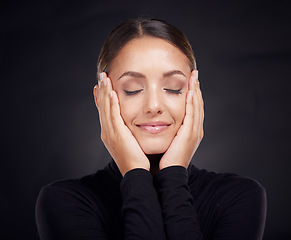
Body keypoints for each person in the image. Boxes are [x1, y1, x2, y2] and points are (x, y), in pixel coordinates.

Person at [35, 18, 267, 240]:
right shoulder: (64, 201)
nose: (154, 106)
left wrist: (174, 174)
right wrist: (136, 173)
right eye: (133, 89)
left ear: (195, 96)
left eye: (174, 88)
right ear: (101, 100)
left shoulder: (239, 196)